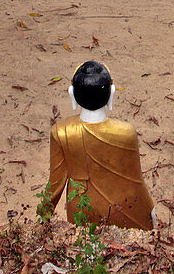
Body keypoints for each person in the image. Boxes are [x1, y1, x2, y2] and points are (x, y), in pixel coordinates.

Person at [40, 61, 156, 229]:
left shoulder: (62, 132)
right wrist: (149, 211)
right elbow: (136, 183)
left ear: (72, 94)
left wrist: (43, 217)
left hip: (81, 209)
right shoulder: (126, 132)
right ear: (112, 93)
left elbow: (55, 185)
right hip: (121, 209)